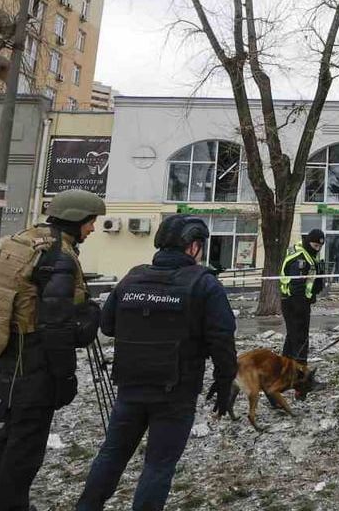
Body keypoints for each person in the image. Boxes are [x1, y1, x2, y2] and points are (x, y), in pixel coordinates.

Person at [76, 215, 237, 511]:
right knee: (159, 465)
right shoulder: (204, 284)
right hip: (176, 391)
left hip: (130, 385)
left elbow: (108, 325)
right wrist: (225, 381)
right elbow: (222, 339)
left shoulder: (132, 277)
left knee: (113, 453)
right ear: (193, 247)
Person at [0, 189, 105, 511]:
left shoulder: (26, 240)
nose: (93, 229)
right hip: (34, 360)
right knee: (26, 443)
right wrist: (65, 376)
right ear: (76, 219)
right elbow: (56, 326)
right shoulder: (57, 256)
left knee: (9, 432)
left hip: (9, 351)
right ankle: (10, 505)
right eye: (91, 222)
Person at [280, 228, 327, 366]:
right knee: (300, 339)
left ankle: (285, 371)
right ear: (308, 242)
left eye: (320, 247)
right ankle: (300, 376)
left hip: (296, 301)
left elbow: (310, 280)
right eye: (315, 246)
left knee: (292, 338)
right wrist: (301, 305)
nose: (317, 249)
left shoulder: (307, 253)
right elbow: (297, 285)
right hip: (295, 302)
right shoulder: (300, 259)